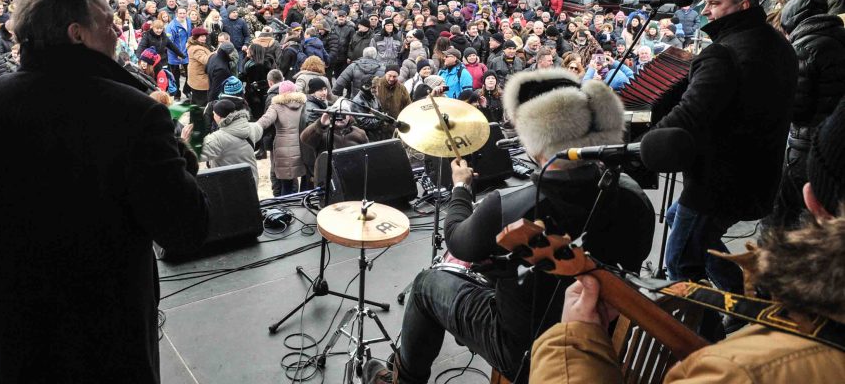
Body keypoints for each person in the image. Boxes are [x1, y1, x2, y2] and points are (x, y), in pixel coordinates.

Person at [0, 0, 209, 383]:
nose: (118, 29)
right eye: (108, 22)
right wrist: (181, 154)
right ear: (77, 34)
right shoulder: (134, 114)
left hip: (15, 321)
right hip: (106, 332)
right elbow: (186, 227)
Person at [363, 69, 654, 384]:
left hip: (524, 349)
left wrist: (460, 189)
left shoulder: (512, 207)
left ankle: (401, 380)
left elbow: (458, 241)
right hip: (598, 333)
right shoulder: (633, 195)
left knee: (426, 285)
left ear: (536, 139)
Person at [531, 94, 845, 383]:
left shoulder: (742, 372)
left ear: (813, 201)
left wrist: (574, 343)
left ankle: (711, 324)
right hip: (745, 186)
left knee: (680, 258)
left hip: (714, 189)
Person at [654, 0, 797, 299]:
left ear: (742, 5)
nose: (706, 11)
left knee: (680, 265)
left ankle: (707, 333)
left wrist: (648, 145)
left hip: (717, 182)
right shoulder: (777, 44)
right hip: (758, 177)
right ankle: (744, 293)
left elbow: (692, 113)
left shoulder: (725, 52)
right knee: (683, 223)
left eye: (715, 4)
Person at [767, 0, 845, 229]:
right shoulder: (840, 38)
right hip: (832, 144)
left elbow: (797, 109)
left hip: (804, 146)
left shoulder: (803, 47)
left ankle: (774, 262)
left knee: (780, 217)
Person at [300, 98, 368, 186]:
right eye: (338, 113)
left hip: (353, 179)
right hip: (328, 182)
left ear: (350, 116)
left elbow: (367, 156)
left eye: (344, 113)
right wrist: (321, 123)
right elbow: (304, 138)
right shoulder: (322, 133)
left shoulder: (359, 133)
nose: (341, 117)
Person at [257, 80, 307, 196]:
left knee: (286, 186)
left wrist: (254, 127)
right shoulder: (304, 104)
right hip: (303, 147)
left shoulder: (276, 106)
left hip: (284, 150)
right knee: (305, 182)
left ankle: (288, 209)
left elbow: (265, 120)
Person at [201, 98, 263, 184]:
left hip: (228, 186)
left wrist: (185, 139)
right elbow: (260, 128)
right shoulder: (253, 127)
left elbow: (196, 155)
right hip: (251, 181)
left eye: (214, 114)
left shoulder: (217, 138)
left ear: (218, 116)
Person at [186, 26, 213, 107]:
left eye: (205, 36)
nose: (204, 38)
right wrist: (216, 53)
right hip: (200, 81)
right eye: (201, 36)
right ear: (196, 37)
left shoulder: (196, 45)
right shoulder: (196, 49)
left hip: (196, 79)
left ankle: (194, 119)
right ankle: (199, 119)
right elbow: (205, 60)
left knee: (195, 103)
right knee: (201, 104)